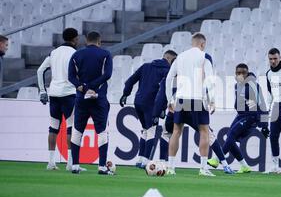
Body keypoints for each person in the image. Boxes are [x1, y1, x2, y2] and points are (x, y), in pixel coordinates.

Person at [152, 74, 234, 174]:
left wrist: (157, 113)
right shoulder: (192, 77)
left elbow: (161, 97)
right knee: (208, 134)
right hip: (192, 109)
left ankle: (166, 165)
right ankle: (224, 166)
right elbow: (205, 90)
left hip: (176, 109)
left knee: (169, 134)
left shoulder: (168, 79)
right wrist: (210, 102)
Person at [165, 33, 216, 176]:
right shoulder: (204, 56)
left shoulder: (180, 57)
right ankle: (203, 168)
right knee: (204, 132)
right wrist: (212, 99)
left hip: (181, 98)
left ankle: (171, 167)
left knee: (176, 131)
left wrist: (170, 99)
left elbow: (169, 78)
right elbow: (210, 79)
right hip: (198, 98)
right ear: (202, 44)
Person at [37, 28, 86, 171]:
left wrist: (42, 91)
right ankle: (70, 163)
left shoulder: (54, 53)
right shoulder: (75, 54)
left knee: (53, 127)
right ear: (75, 39)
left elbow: (40, 70)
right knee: (71, 127)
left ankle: (51, 162)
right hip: (69, 93)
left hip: (54, 93)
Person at [119, 50, 177, 168]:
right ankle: (145, 161)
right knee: (151, 130)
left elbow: (130, 80)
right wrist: (161, 109)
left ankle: (140, 158)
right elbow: (164, 92)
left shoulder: (145, 66)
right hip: (151, 104)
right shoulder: (167, 71)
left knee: (145, 129)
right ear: (169, 59)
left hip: (138, 102)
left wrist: (125, 94)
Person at [208, 63, 269, 174]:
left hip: (251, 116)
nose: (240, 75)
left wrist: (264, 125)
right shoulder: (237, 85)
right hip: (241, 115)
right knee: (230, 139)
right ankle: (244, 166)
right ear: (235, 74)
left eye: (243, 73)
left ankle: (217, 159)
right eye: (238, 73)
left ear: (247, 73)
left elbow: (263, 105)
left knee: (231, 136)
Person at [68, 31, 113, 175]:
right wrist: (93, 87)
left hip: (81, 98)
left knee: (77, 130)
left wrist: (83, 87)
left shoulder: (76, 55)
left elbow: (71, 76)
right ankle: (101, 167)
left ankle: (75, 165)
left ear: (86, 41)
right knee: (102, 131)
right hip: (99, 98)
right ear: (99, 42)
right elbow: (107, 74)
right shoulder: (105, 54)